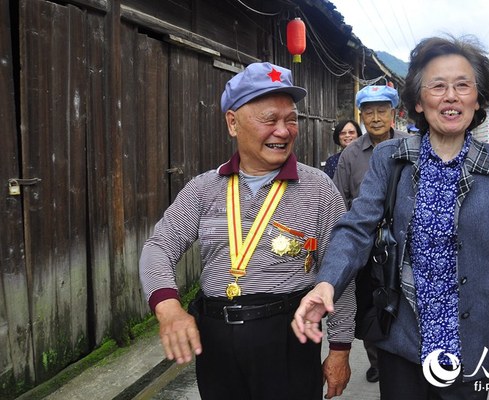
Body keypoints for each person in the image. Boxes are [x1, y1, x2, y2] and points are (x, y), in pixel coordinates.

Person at [292, 36, 489, 400]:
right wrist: (328, 281)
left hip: (473, 345)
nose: (451, 96)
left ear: (477, 98)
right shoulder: (391, 158)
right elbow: (356, 227)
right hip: (403, 340)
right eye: (437, 86)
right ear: (419, 102)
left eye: (462, 85)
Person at [139, 62, 355, 400]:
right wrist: (168, 308)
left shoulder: (319, 189)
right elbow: (159, 246)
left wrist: (340, 348)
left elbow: (340, 271)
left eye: (291, 119)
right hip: (215, 341)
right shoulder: (204, 189)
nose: (283, 131)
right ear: (232, 122)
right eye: (270, 120)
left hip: (288, 336)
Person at [333, 84, 401, 383]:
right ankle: (378, 361)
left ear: (392, 114)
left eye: (381, 111)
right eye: (369, 112)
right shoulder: (351, 154)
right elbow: (339, 201)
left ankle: (404, 357)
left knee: (405, 303)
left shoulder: (411, 146)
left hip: (404, 244)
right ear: (361, 116)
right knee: (371, 305)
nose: (375, 118)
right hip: (367, 245)